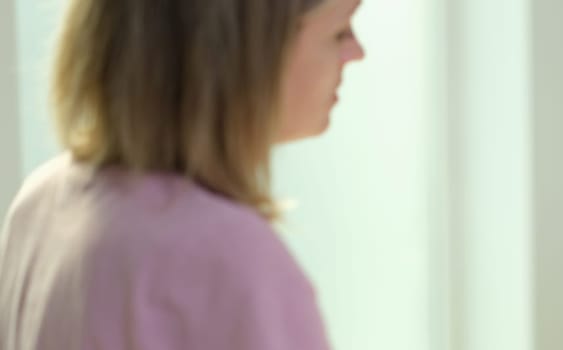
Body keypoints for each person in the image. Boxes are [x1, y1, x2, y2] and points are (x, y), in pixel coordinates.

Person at [0, 0, 363, 348]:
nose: (357, 52)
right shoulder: (233, 263)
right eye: (339, 31)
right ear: (246, 52)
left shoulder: (36, 207)